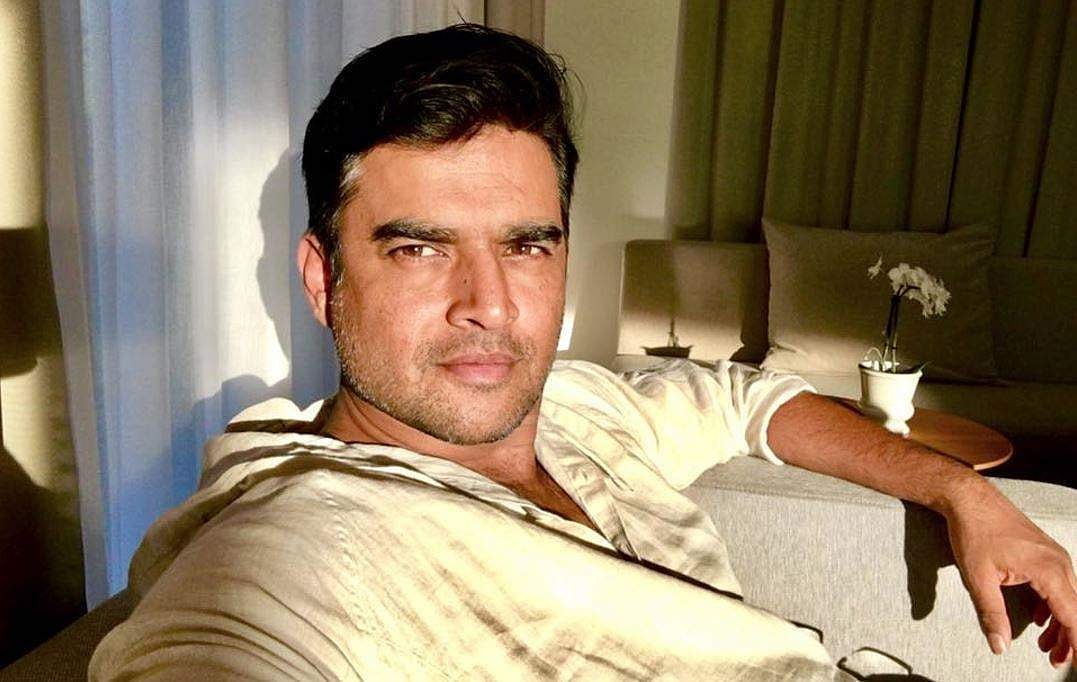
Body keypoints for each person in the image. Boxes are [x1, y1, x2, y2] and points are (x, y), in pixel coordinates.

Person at [90, 24, 1074, 679]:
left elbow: (748, 399)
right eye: (419, 249)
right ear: (322, 280)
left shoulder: (583, 403)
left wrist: (962, 493)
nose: (488, 304)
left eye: (527, 245)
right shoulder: (294, 550)